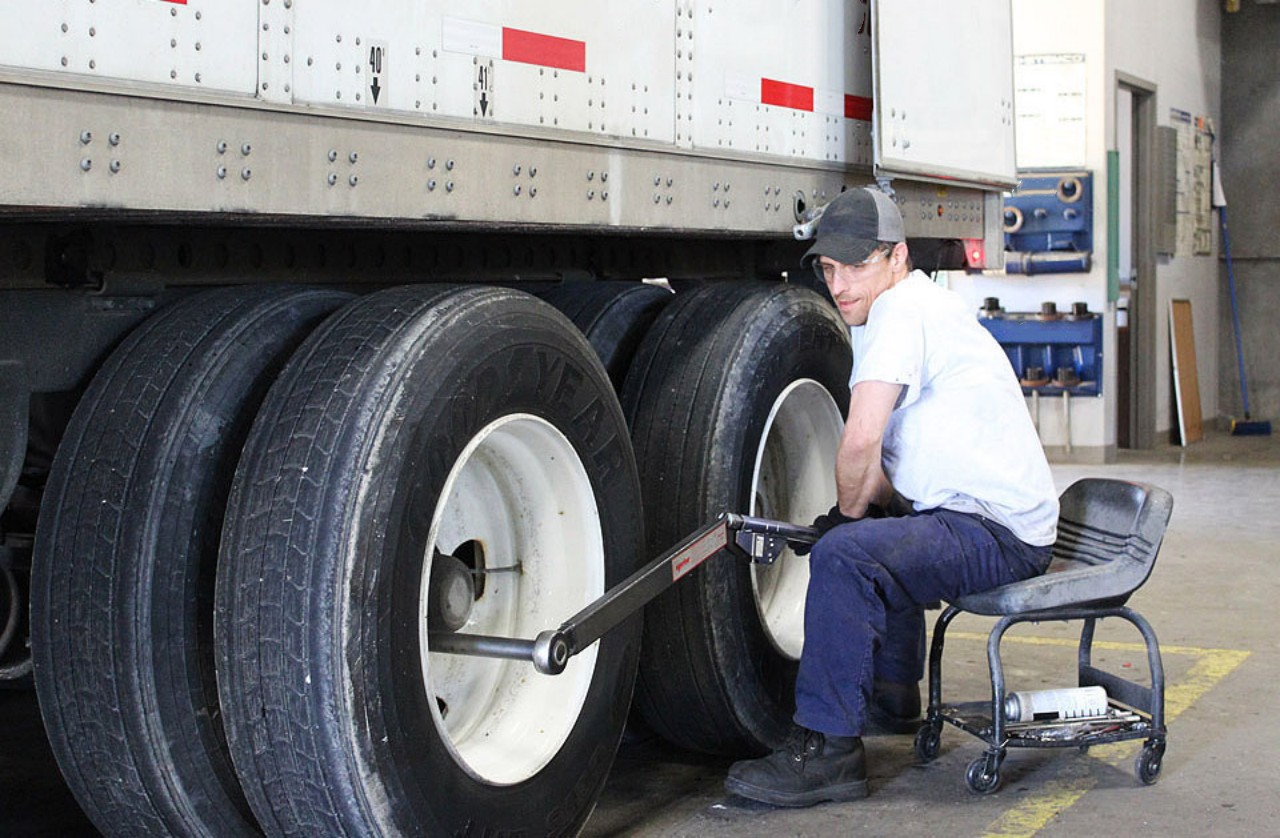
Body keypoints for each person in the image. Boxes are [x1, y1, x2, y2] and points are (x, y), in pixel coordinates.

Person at [725, 187, 1059, 807]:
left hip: (997, 532)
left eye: (857, 265)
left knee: (848, 555)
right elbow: (886, 470)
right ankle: (893, 694)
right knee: (880, 524)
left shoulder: (899, 313)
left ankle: (829, 754)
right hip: (991, 518)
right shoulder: (925, 304)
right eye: (829, 269)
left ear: (898, 256)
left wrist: (843, 519)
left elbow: (859, 445)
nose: (841, 284)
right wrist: (862, 507)